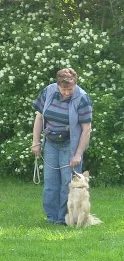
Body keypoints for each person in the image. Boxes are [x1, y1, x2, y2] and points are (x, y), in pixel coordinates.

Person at [31, 68, 93, 225]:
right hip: (51, 143)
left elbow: (86, 130)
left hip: (70, 144)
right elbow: (39, 118)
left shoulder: (82, 98)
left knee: (69, 184)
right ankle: (51, 217)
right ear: (58, 85)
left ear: (75, 84)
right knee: (50, 183)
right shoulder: (48, 91)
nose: (66, 93)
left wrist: (78, 154)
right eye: (64, 89)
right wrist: (36, 142)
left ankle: (64, 219)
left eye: (70, 89)